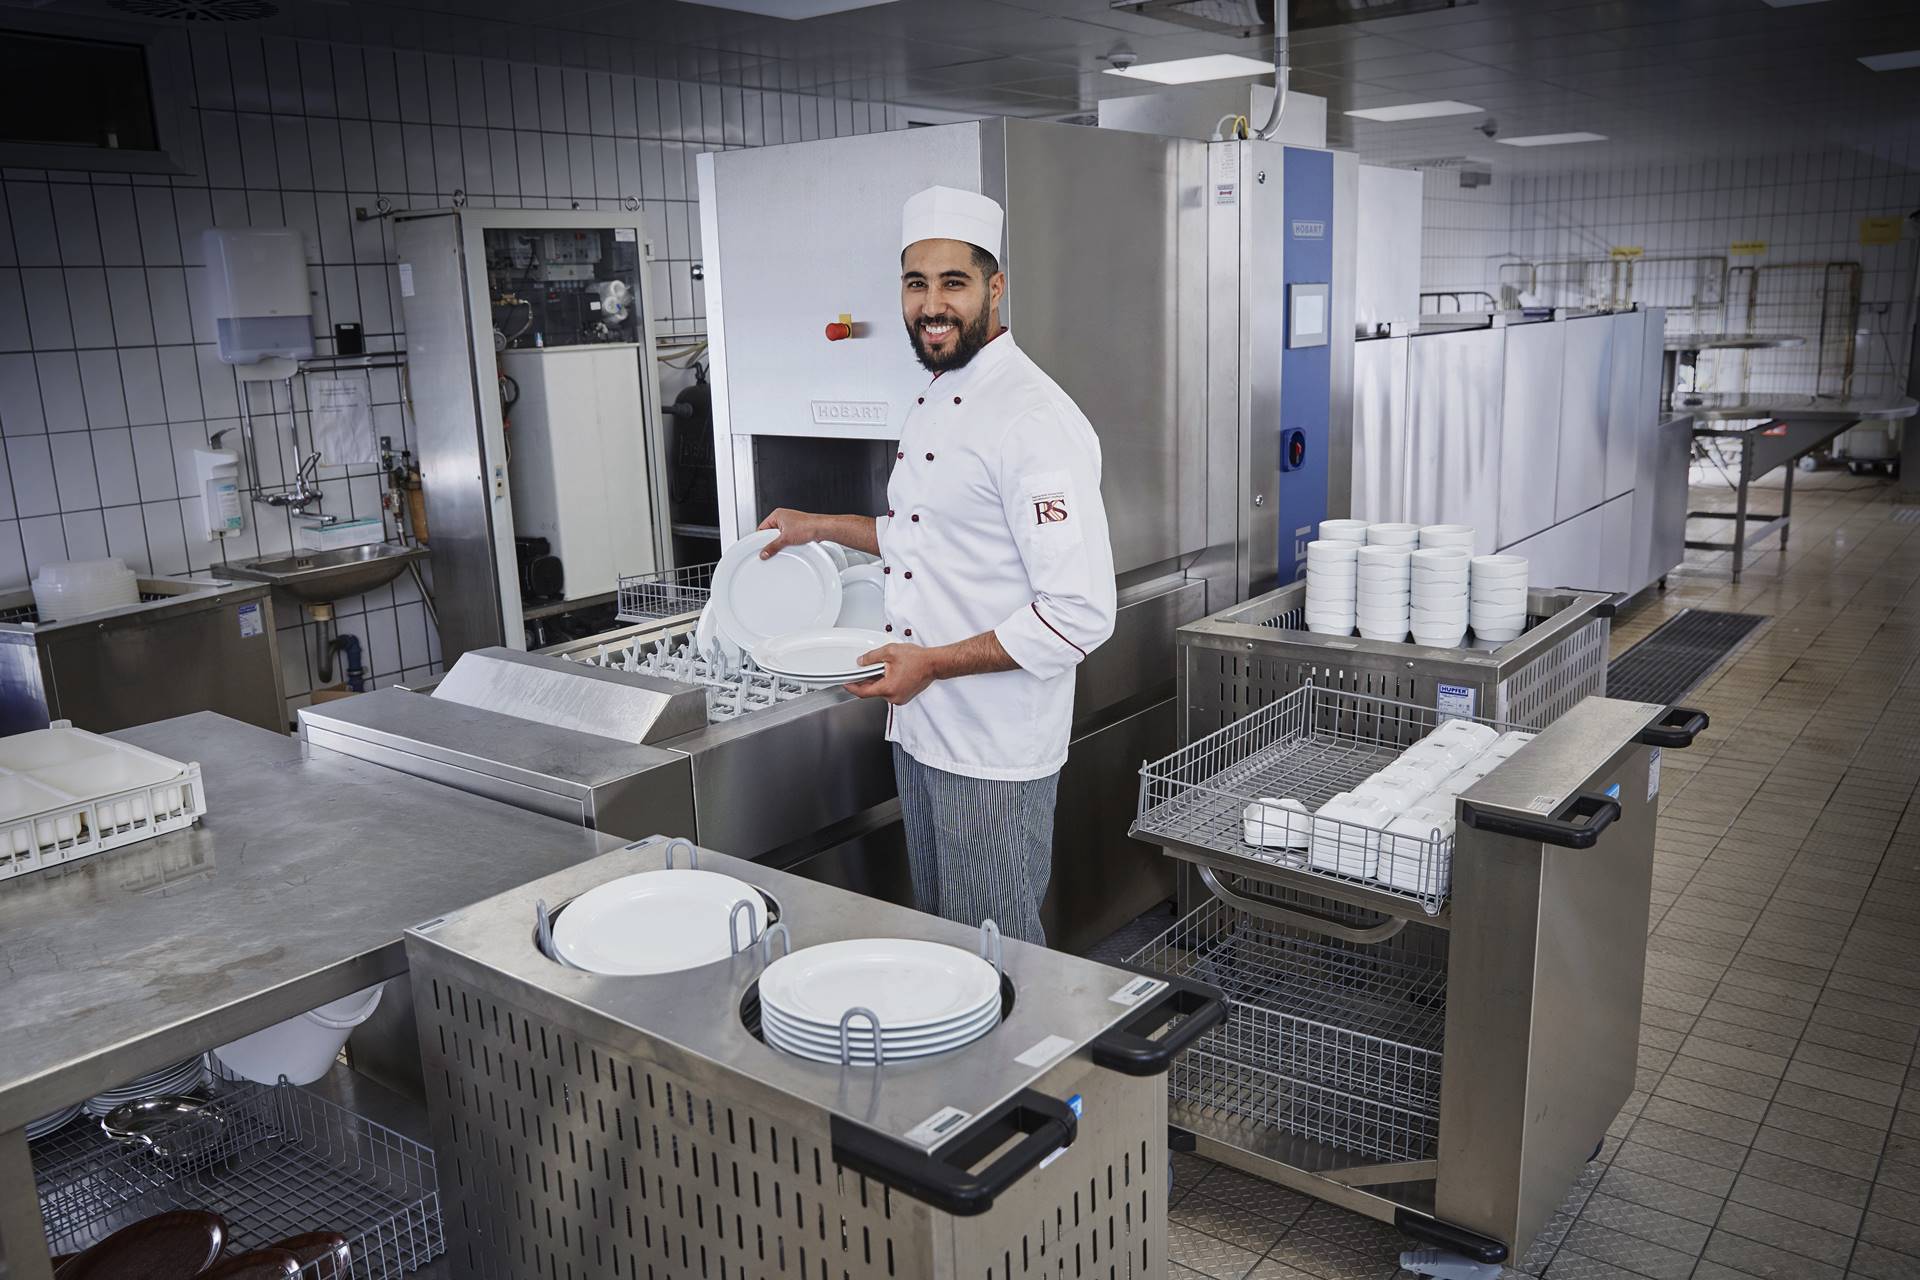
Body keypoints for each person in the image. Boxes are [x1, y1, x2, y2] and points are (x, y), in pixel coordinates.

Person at [758, 185, 1116, 946]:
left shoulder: (1032, 419)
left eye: (953, 283)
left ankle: (1025, 1070)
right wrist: (813, 525)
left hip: (990, 745)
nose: (931, 305)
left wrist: (931, 665)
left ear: (995, 287)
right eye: (916, 284)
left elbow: (1080, 613)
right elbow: (925, 537)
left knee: (997, 949)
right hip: (920, 727)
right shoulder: (940, 393)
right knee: (947, 943)